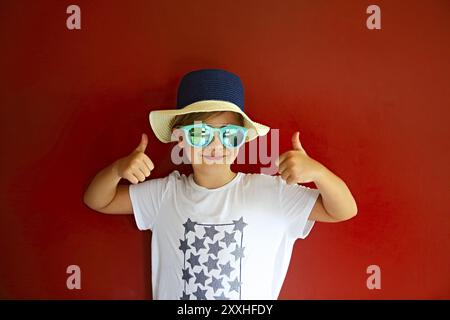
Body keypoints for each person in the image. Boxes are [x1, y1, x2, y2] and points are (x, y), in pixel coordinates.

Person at [83, 69, 357, 300]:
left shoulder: (271, 193)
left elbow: (343, 210)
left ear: (242, 140)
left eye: (229, 135)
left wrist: (319, 173)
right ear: (180, 138)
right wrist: (119, 169)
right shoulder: (165, 194)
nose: (216, 145)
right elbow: (98, 200)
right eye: (201, 133)